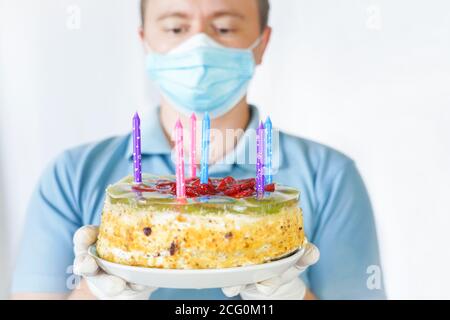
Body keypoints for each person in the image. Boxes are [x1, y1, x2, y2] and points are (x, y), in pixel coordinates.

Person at [11, 0, 385, 300]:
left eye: (223, 28)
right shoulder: (71, 175)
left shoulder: (330, 176)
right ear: (145, 40)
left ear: (262, 43)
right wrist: (95, 293)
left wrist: (291, 294)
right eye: (176, 28)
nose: (199, 45)